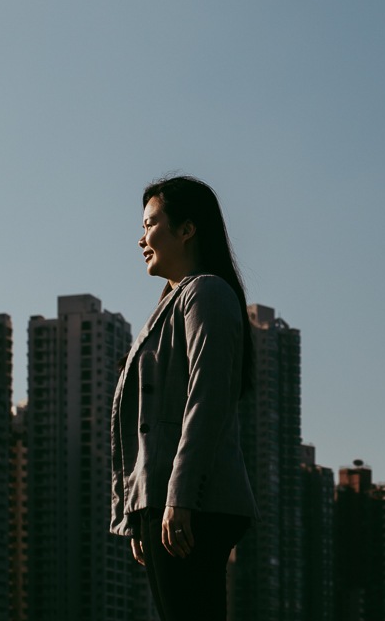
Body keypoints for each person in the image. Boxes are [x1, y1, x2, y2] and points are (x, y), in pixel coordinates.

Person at [111, 175, 261, 621]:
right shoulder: (173, 302)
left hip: (195, 501)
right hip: (165, 502)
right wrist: (138, 511)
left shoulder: (207, 292)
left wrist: (178, 498)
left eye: (152, 223)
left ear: (187, 229)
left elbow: (206, 399)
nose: (141, 238)